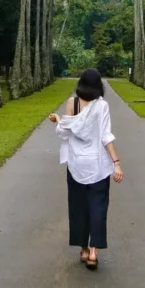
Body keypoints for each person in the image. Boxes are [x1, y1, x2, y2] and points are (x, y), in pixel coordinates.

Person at [48, 68, 123, 270]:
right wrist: (116, 163)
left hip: (76, 165)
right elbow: (106, 136)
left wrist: (57, 118)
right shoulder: (102, 106)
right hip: (98, 165)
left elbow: (65, 130)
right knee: (98, 207)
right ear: (99, 86)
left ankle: (82, 248)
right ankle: (93, 252)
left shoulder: (73, 103)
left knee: (78, 207)